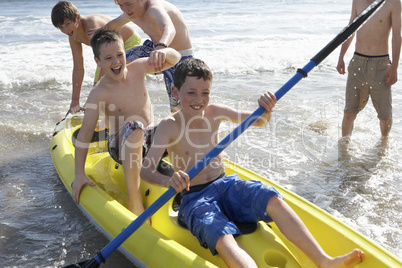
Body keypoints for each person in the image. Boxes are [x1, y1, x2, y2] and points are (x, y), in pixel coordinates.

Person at [140, 58, 365, 268]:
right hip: (195, 197)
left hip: (226, 184)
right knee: (220, 234)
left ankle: (324, 261)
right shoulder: (169, 126)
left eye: (205, 92)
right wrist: (169, 180)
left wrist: (266, 107)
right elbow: (146, 170)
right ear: (175, 92)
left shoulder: (215, 112)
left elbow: (259, 121)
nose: (199, 99)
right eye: (191, 93)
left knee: (271, 196)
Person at [71, 28, 180, 219]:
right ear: (98, 62)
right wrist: (79, 173)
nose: (116, 62)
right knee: (135, 125)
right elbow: (85, 133)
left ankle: (192, 179)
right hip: (120, 146)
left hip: (149, 142)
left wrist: (163, 52)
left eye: (119, 55)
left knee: (176, 120)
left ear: (125, 52)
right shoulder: (99, 92)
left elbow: (175, 58)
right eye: (108, 58)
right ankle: (135, 198)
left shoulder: (138, 68)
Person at [93, 0, 194, 112]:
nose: (125, 9)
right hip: (154, 50)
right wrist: (98, 33)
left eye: (128, 4)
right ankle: (114, 106)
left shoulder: (154, 9)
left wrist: (161, 46)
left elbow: (169, 28)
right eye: (121, 5)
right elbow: (113, 26)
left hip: (180, 57)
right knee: (120, 62)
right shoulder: (132, 12)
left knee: (179, 107)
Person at [51, 1, 142, 113]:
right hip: (109, 52)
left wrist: (93, 98)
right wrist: (75, 100)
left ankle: (128, 112)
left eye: (67, 24)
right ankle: (105, 114)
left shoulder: (91, 25)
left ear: (77, 18)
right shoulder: (72, 36)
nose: (65, 30)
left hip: (129, 42)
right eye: (61, 27)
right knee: (99, 87)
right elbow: (78, 68)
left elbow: (105, 62)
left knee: (111, 80)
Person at [336, 0, 401, 138]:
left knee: (385, 116)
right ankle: (344, 149)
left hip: (381, 66)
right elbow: (349, 30)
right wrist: (341, 57)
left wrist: (394, 67)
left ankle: (384, 143)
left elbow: (396, 37)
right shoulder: (357, 1)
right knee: (349, 113)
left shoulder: (393, 3)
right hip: (357, 64)